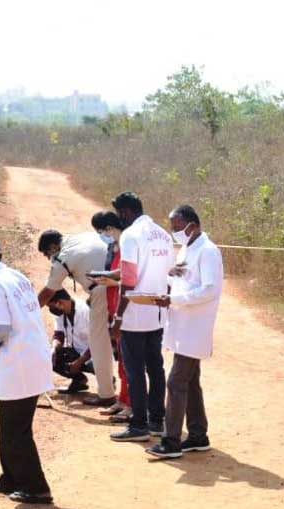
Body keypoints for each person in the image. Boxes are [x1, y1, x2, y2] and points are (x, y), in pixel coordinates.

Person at [0, 234, 54, 504]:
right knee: (9, 426)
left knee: (16, 429)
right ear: (0, 255)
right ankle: (12, 479)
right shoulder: (15, 276)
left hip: (18, 362)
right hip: (29, 357)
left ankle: (36, 487)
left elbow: (2, 328)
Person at [146, 205, 223, 459]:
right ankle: (198, 435)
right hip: (182, 325)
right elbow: (186, 281)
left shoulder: (208, 251)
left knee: (176, 381)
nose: (174, 233)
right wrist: (169, 282)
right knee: (190, 382)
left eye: (177, 228)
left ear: (192, 225)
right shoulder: (189, 248)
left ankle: (171, 441)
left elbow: (209, 289)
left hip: (194, 327)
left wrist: (174, 299)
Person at [108, 192, 175, 442]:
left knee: (135, 370)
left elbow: (128, 280)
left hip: (135, 313)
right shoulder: (163, 235)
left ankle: (139, 425)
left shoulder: (131, 236)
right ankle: (157, 420)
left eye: (119, 214)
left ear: (125, 212)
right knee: (155, 368)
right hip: (157, 312)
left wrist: (118, 316)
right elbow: (170, 274)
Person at [36, 229, 116, 407]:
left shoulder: (62, 257)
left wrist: (27, 311)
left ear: (53, 246)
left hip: (101, 289)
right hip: (115, 283)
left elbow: (48, 292)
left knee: (98, 344)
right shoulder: (82, 236)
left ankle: (107, 394)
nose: (49, 258)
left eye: (47, 254)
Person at [91, 211, 131, 422]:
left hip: (124, 306)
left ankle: (131, 403)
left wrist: (111, 281)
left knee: (129, 360)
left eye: (102, 230)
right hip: (112, 301)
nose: (102, 235)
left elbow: (128, 277)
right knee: (121, 358)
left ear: (109, 227)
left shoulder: (128, 244)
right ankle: (122, 399)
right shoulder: (112, 247)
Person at [48, 289, 95, 394]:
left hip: (94, 354)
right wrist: (54, 348)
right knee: (51, 357)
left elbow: (97, 343)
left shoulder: (86, 311)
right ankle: (79, 381)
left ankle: (108, 380)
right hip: (76, 352)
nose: (50, 309)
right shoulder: (60, 313)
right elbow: (59, 335)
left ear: (60, 302)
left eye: (50, 306)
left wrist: (79, 362)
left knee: (96, 365)